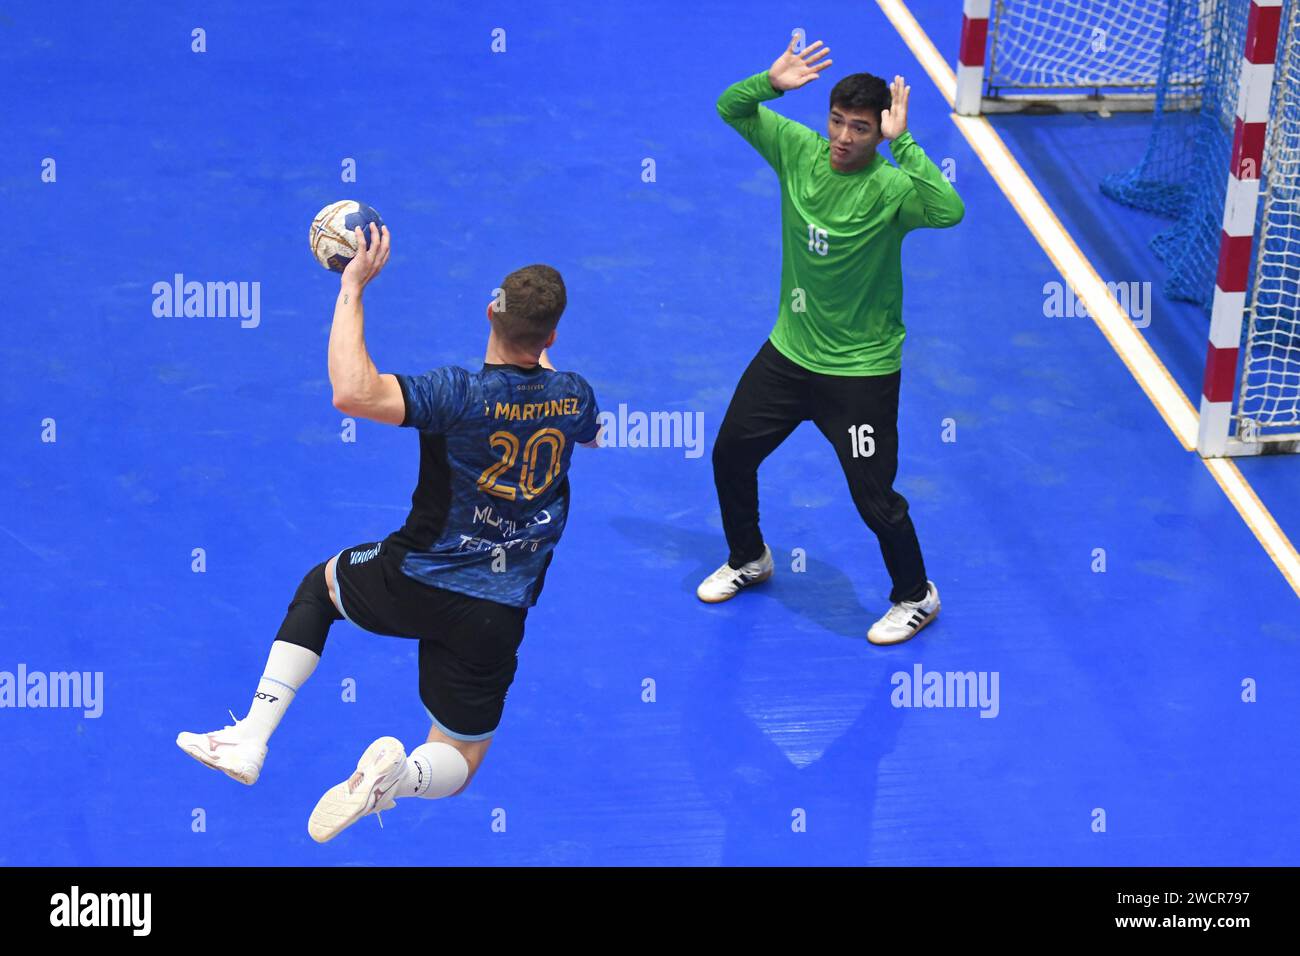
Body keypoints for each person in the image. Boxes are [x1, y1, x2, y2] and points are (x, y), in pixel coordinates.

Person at [177, 224, 600, 842]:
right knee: (462, 756)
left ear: (491, 311)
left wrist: (352, 288)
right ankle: (395, 780)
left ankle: (250, 739)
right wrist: (547, 378)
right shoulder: (574, 396)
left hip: (414, 579)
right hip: (497, 610)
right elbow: (592, 434)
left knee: (320, 590)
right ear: (553, 336)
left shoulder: (457, 393)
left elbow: (352, 391)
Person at [698, 38, 964, 645]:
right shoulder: (797, 150)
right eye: (838, 121)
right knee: (731, 454)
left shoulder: (893, 191)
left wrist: (908, 144)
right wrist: (768, 82)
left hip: (861, 375)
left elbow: (948, 211)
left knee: (873, 497)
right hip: (789, 355)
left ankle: (916, 596)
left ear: (879, 133)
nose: (844, 137)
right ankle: (749, 557)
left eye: (862, 129)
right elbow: (729, 108)